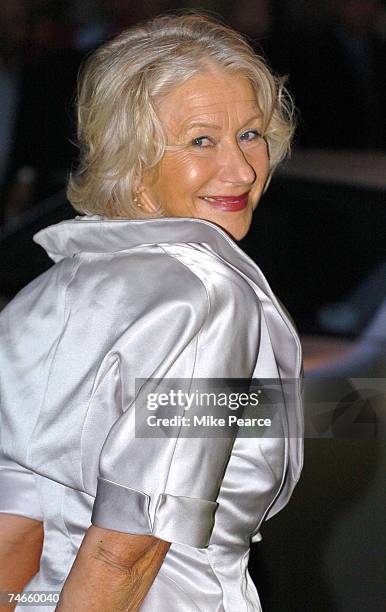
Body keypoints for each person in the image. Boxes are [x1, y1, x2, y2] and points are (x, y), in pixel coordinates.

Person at [0, 13, 303, 612]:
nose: (242, 169)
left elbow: (14, 530)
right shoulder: (208, 299)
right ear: (132, 160)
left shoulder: (47, 293)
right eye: (200, 141)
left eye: (250, 133)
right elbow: (126, 551)